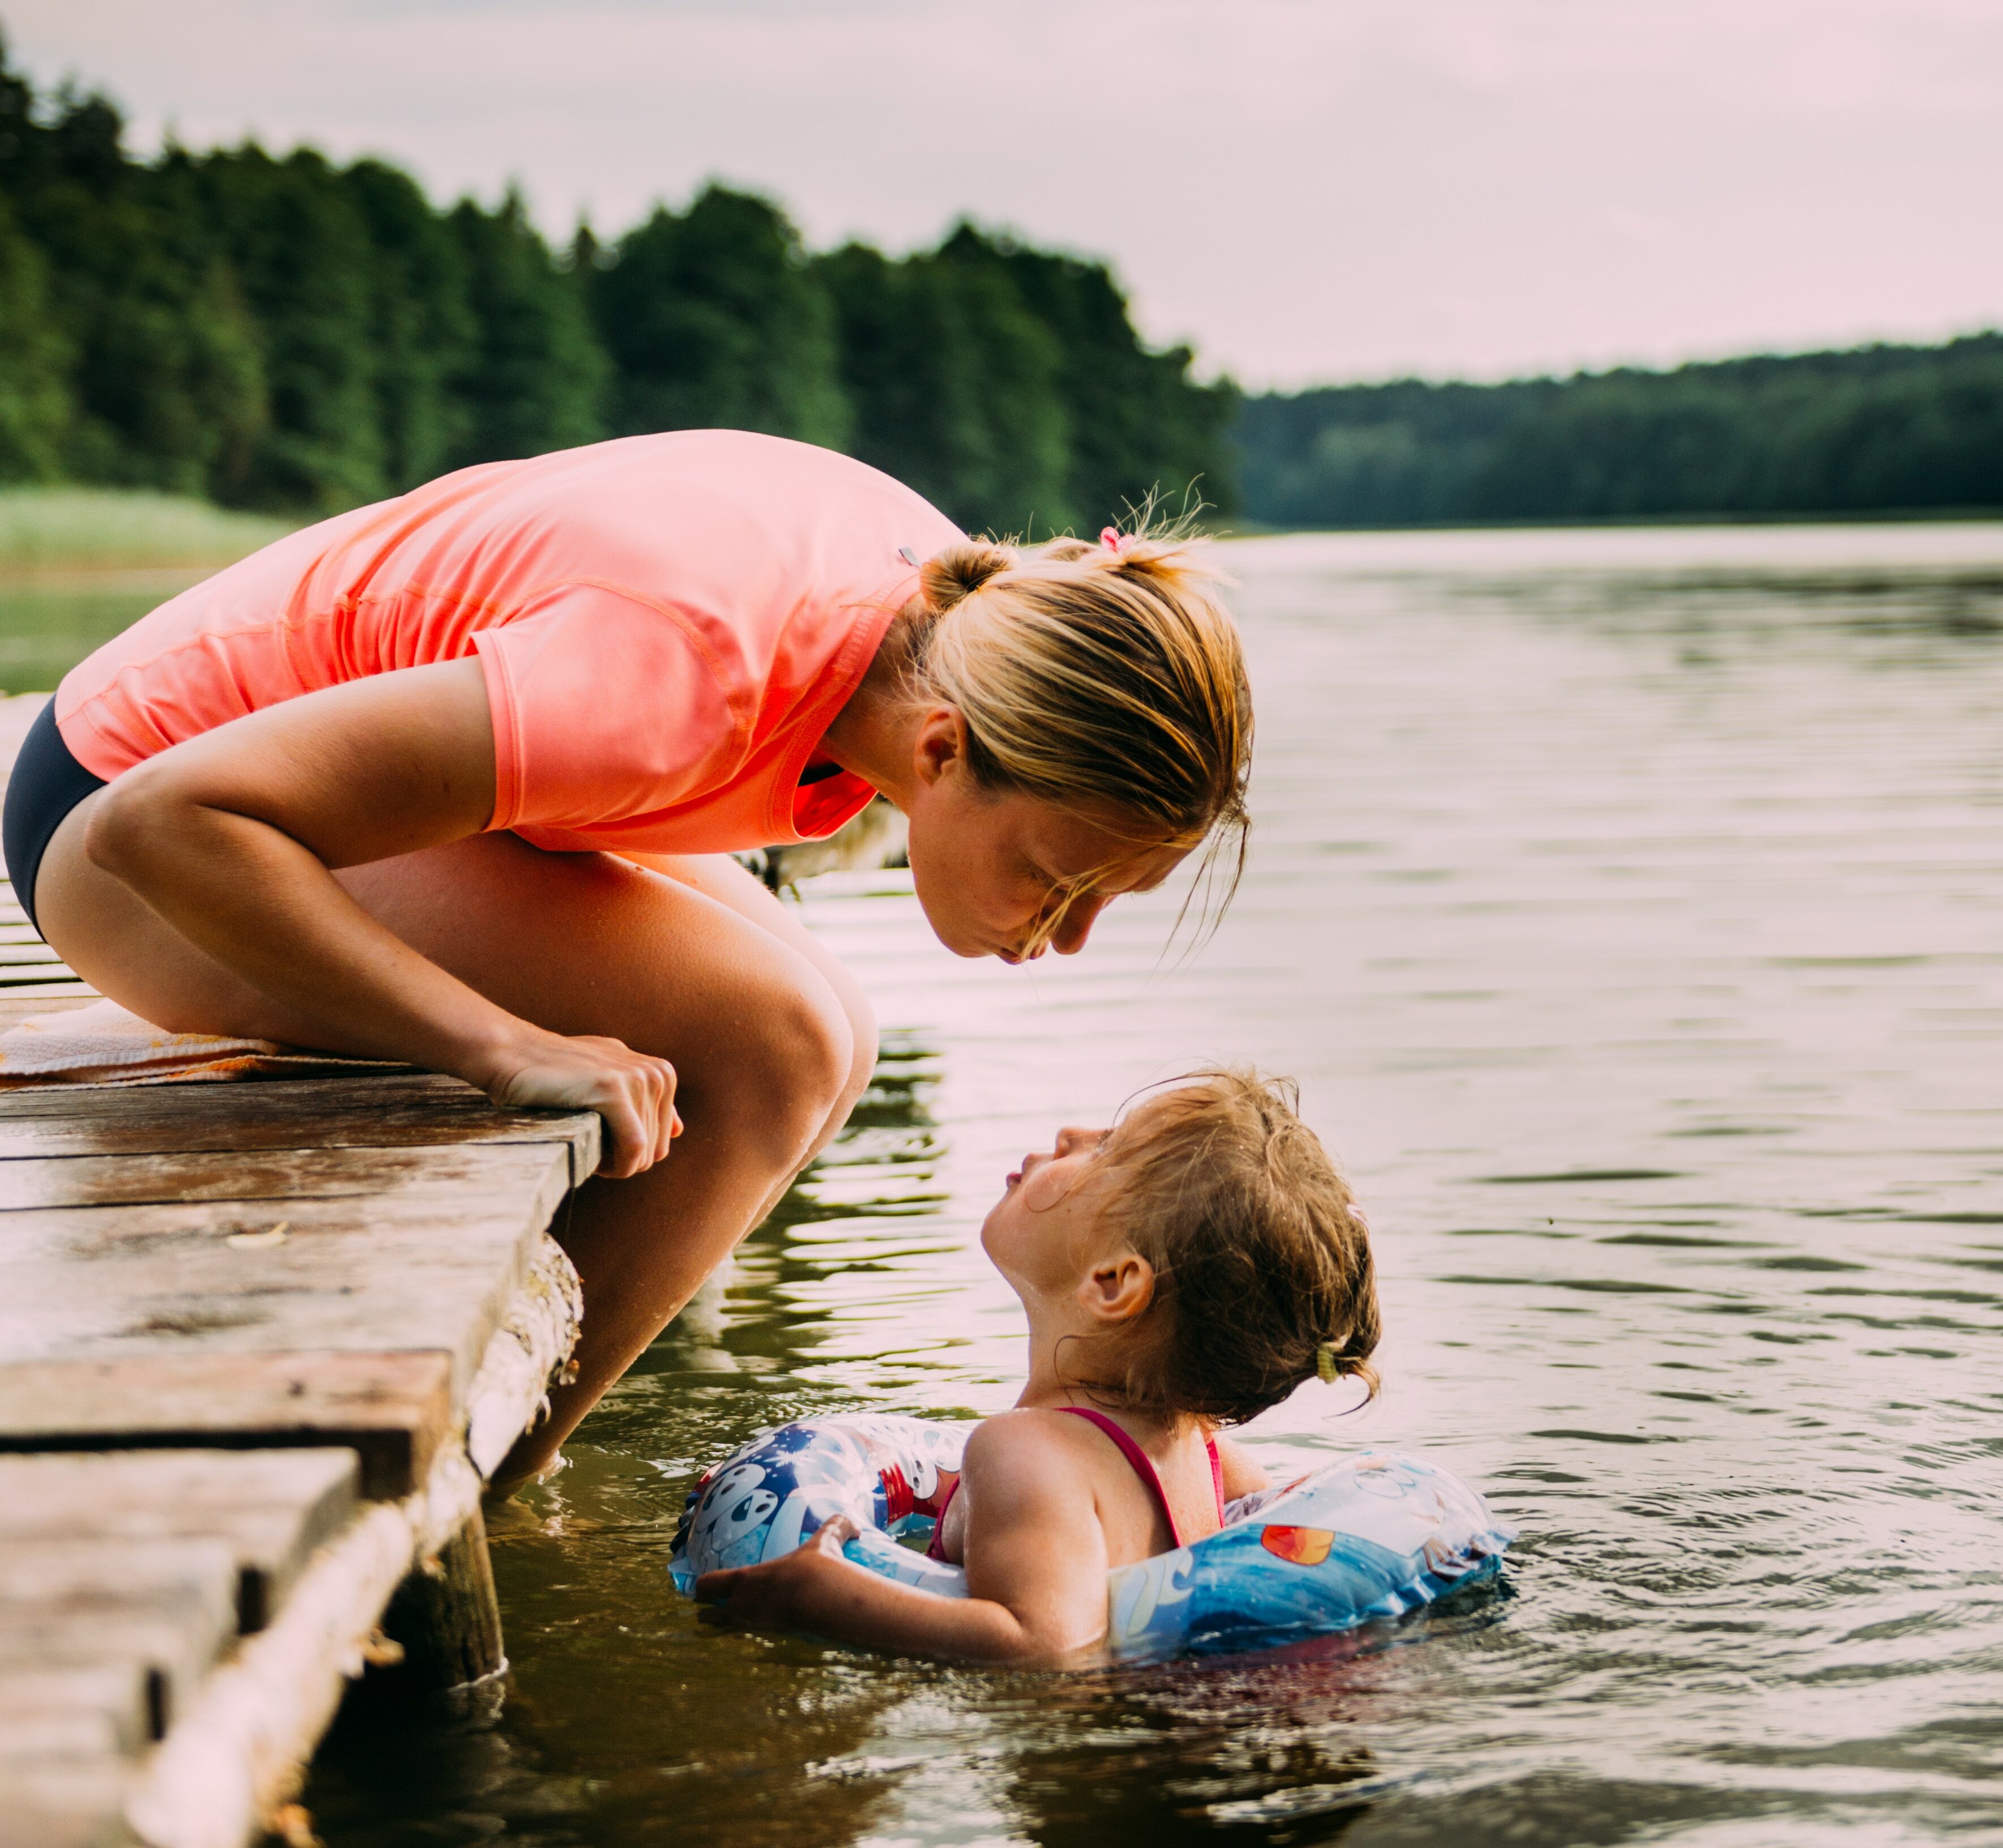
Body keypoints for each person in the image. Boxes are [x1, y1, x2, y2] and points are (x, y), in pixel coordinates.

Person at [1, 430, 1251, 1483]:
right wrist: (497, 1047)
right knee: (779, 1044)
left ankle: (520, 1450)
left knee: (838, 1027)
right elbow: (164, 820)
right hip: (125, 836)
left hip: (268, 787)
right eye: (1061, 876)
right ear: (940, 752)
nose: (1069, 932)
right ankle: (466, 1485)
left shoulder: (948, 614)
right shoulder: (682, 678)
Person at [693, 1068, 1381, 1664]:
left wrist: (821, 1594)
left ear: (1113, 1282)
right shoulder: (1207, 1457)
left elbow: (1043, 1644)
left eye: (1108, 1146)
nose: (1073, 1133)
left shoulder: (1022, 1449)